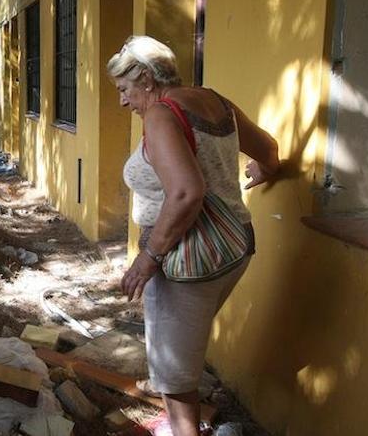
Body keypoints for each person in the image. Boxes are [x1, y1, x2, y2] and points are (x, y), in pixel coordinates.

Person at [107, 36, 279, 436]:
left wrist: (148, 256)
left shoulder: (161, 116)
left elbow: (186, 192)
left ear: (146, 79)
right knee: (183, 350)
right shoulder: (215, 101)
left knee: (173, 374)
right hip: (235, 246)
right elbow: (268, 148)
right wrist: (265, 169)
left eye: (123, 89)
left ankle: (185, 430)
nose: (122, 101)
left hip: (188, 257)